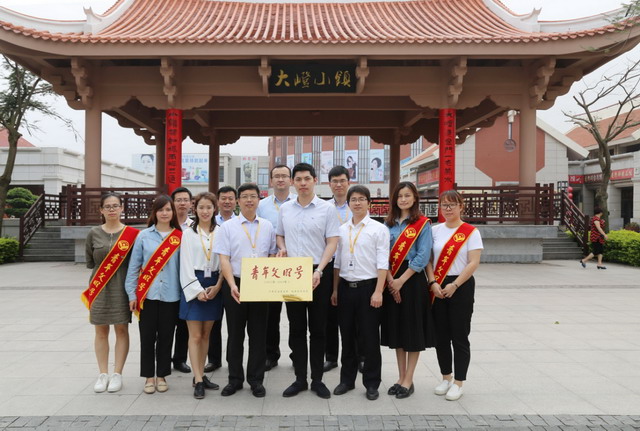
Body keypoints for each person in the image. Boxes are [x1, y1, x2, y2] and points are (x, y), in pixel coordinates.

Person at [276, 162, 340, 399]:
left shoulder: (327, 209)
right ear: (293, 182)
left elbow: (332, 242)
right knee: (296, 328)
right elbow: (280, 235)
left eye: (307, 179)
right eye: (298, 179)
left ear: (315, 180)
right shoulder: (286, 209)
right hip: (293, 272)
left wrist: (320, 270)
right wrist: (282, 248)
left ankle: (317, 380)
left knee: (318, 328)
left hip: (318, 273)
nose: (303, 183)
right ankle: (300, 378)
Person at [214, 183, 277, 398]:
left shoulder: (267, 226)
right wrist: (232, 285)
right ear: (238, 201)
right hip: (236, 283)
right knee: (235, 334)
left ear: (259, 199)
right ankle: (235, 379)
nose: (249, 200)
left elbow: (271, 253)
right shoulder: (227, 227)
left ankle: (256, 380)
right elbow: (224, 259)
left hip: (260, 284)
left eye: (253, 196)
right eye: (245, 197)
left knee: (258, 334)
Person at [331, 185, 389, 401]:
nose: (357, 203)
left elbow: (383, 262)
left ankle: (372, 383)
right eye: (353, 199)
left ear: (369, 203)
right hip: (346, 288)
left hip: (368, 289)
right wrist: (335, 289)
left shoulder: (378, 229)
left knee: (369, 337)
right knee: (346, 336)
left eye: (361, 199)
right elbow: (337, 263)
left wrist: (379, 291)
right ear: (348, 204)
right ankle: (347, 380)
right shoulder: (341, 229)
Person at [426, 190, 483, 401]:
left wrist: (455, 284)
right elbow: (428, 260)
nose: (448, 209)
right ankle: (446, 377)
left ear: (461, 206)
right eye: (444, 205)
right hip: (437, 286)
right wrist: (432, 282)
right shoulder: (434, 231)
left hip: (461, 286)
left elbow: (473, 262)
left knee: (459, 335)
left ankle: (459, 382)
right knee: (441, 335)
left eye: (452, 204)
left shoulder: (470, 232)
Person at [382, 181, 434, 399]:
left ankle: (409, 379)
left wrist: (401, 281)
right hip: (391, 277)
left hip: (412, 281)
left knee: (412, 329)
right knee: (398, 329)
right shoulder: (388, 225)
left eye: (407, 195)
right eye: (399, 196)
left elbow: (423, 255)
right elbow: (382, 254)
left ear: (414, 198)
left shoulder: (423, 224)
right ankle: (400, 377)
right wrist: (391, 280)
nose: (403, 199)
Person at [125, 195, 182, 394]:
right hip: (147, 296)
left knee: (166, 337)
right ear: (154, 212)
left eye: (168, 209)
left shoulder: (180, 237)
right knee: (147, 337)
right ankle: (149, 376)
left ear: (173, 212)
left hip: (171, 296)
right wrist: (132, 294)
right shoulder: (143, 236)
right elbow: (133, 267)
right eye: (160, 209)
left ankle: (162, 375)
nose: (164, 213)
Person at [83, 192, 139, 393]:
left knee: (121, 330)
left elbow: (136, 264)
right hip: (99, 288)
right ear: (101, 210)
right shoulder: (93, 233)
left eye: (115, 205)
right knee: (100, 330)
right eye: (107, 206)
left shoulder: (132, 234)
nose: (112, 209)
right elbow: (90, 262)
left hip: (122, 288)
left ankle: (117, 374)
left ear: (122, 208)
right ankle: (103, 374)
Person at [179, 192, 223, 399]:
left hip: (214, 284)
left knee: (206, 335)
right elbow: (185, 264)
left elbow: (225, 261)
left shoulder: (221, 231)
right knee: (195, 335)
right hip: (194, 283)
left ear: (215, 209)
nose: (205, 211)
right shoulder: (188, 233)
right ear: (194, 209)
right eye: (201, 207)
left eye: (209, 207)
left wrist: (218, 285)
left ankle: (201, 374)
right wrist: (196, 291)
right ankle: (197, 379)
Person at [257, 165, 296, 371]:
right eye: (276, 176)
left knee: (296, 313)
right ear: (271, 181)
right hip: (270, 264)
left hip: (295, 264)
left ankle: (297, 354)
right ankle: (270, 354)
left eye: (284, 176)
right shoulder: (261, 205)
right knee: (270, 314)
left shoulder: (299, 202)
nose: (280, 179)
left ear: (291, 180)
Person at [204, 186, 237, 373]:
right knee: (214, 321)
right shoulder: (209, 222)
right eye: (223, 198)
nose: (227, 202)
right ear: (217, 202)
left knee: (234, 323)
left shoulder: (240, 222)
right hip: (213, 276)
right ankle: (214, 359)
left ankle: (232, 359)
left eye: (231, 198)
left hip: (234, 278)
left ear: (236, 201)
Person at [324, 165, 351, 372]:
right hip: (330, 264)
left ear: (348, 182)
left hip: (353, 264)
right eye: (335, 181)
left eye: (342, 180)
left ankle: (358, 356)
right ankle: (331, 357)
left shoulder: (357, 204)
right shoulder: (324, 208)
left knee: (354, 315)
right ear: (329, 184)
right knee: (329, 314)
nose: (339, 184)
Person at [171, 187, 193, 374]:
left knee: (184, 323)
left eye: (185, 200)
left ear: (191, 203)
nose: (182, 203)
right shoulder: (165, 224)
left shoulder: (194, 226)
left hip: (187, 280)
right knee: (165, 324)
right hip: (168, 281)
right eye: (178, 200)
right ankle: (162, 358)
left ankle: (180, 359)